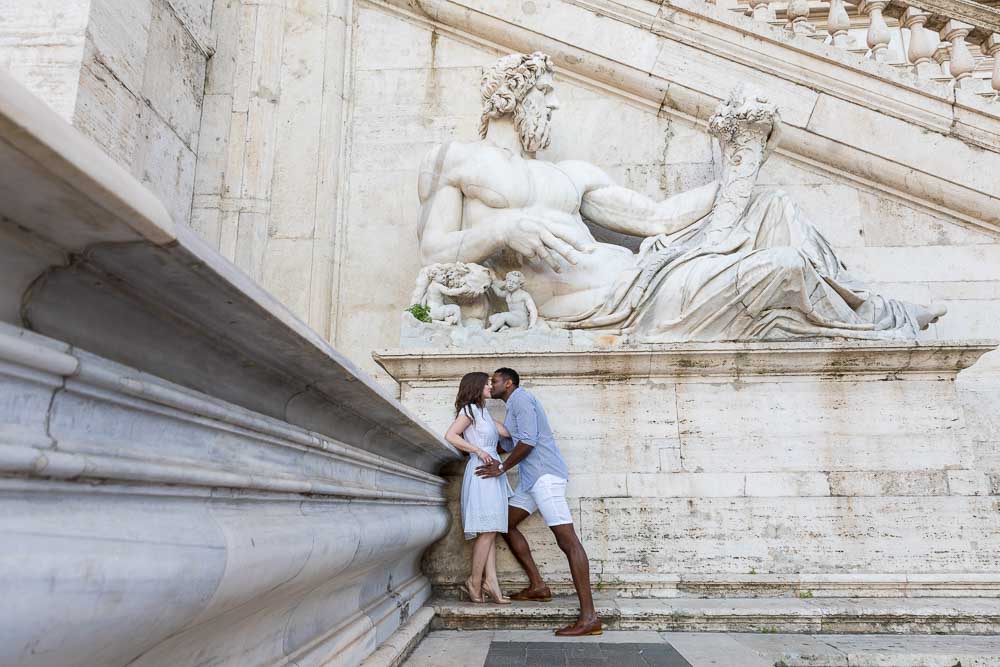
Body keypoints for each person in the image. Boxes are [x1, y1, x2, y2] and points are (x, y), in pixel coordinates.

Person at [476, 367, 602, 636]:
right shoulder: (512, 407)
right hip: (531, 480)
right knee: (505, 523)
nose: (492, 384)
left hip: (545, 476)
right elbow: (509, 444)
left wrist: (501, 468)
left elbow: (529, 442)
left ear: (508, 383)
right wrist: (475, 448)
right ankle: (538, 586)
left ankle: (589, 617)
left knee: (568, 542)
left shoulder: (521, 399)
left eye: (495, 381)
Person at [444, 372, 513, 604]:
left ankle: (490, 582)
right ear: (476, 387)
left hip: (493, 472)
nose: (490, 386)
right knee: (488, 529)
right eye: (486, 383)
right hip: (481, 471)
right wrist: (478, 450)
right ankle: (474, 581)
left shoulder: (484, 412)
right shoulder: (469, 411)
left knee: (490, 528)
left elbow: (507, 432)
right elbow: (451, 435)